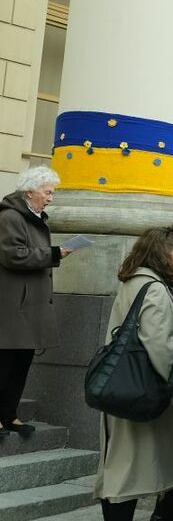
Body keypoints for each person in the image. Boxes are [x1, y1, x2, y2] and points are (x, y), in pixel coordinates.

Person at [94, 229, 173, 521]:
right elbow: (160, 345)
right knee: (128, 473)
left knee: (121, 467)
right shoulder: (155, 288)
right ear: (162, 253)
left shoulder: (135, 280)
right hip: (143, 388)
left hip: (124, 383)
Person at [0, 167, 68, 438]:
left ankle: (9, 415)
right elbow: (12, 255)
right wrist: (54, 253)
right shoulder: (11, 217)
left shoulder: (34, 216)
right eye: (47, 192)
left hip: (27, 307)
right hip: (13, 307)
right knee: (5, 365)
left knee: (21, 364)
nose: (51, 198)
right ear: (30, 191)